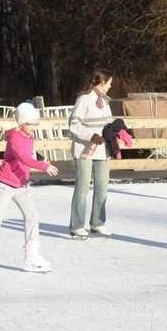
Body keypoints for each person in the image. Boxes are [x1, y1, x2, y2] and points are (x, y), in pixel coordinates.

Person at [0, 102, 59, 273]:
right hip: (4, 184)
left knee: (32, 216)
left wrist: (38, 161)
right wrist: (43, 166)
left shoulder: (29, 136)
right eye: (32, 123)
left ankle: (31, 255)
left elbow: (28, 157)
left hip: (21, 185)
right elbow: (23, 158)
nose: (35, 126)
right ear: (23, 122)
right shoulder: (16, 138)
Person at [68, 69, 115, 240]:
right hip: (84, 150)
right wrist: (90, 137)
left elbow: (108, 125)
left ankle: (97, 223)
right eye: (109, 83)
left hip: (103, 151)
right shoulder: (84, 100)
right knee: (83, 187)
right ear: (101, 83)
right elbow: (73, 126)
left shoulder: (105, 101)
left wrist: (118, 130)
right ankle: (77, 226)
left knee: (102, 187)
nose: (110, 87)